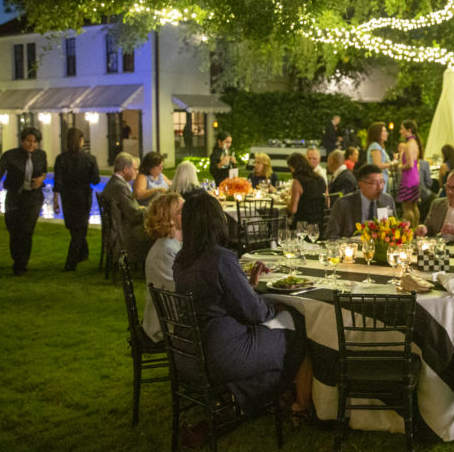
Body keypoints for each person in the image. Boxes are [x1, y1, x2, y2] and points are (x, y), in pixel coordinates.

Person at [171, 193, 312, 416]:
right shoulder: (220, 257)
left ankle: (247, 395)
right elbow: (255, 312)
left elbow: (213, 298)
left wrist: (247, 286)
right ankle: (290, 399)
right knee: (296, 323)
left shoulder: (181, 260)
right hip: (223, 354)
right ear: (216, 220)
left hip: (189, 352)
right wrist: (275, 305)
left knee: (280, 332)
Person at [0, 127, 47, 276]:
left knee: (27, 230)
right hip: (14, 197)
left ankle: (21, 264)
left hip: (33, 197)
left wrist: (41, 179)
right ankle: (17, 258)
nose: (31, 144)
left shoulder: (41, 155)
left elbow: (44, 171)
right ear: (22, 141)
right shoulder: (10, 155)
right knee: (14, 230)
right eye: (28, 141)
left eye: (34, 142)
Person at [52, 128, 100, 272]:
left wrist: (55, 199)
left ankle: (80, 255)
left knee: (75, 228)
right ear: (80, 141)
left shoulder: (61, 159)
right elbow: (96, 180)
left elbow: (58, 181)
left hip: (68, 197)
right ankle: (73, 260)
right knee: (79, 229)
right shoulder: (89, 159)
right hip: (83, 196)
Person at [141, 192, 183, 343]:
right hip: (165, 325)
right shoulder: (166, 250)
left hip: (175, 315)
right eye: (181, 211)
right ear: (168, 219)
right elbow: (177, 293)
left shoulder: (175, 245)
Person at [101, 152, 154, 266]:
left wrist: (141, 208)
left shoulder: (113, 183)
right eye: (135, 169)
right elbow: (134, 216)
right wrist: (151, 209)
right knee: (155, 231)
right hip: (124, 234)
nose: (137, 172)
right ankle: (152, 266)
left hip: (116, 230)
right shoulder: (120, 187)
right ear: (125, 170)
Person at [326, 164, 396, 239]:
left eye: (381, 182)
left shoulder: (387, 200)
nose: (380, 187)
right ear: (361, 184)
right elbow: (332, 236)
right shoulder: (343, 204)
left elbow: (394, 231)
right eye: (374, 183)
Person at [286, 152, 327, 229]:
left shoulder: (298, 181)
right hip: (320, 225)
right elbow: (327, 203)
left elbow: (293, 210)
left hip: (302, 225)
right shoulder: (320, 179)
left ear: (293, 167)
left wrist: (288, 203)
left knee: (283, 225)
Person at [397, 119, 422, 228]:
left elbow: (410, 164)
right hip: (415, 177)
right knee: (414, 206)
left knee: (407, 208)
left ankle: (410, 230)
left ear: (409, 130)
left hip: (408, 179)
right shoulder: (415, 143)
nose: (400, 131)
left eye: (402, 128)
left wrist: (399, 167)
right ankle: (416, 228)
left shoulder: (408, 145)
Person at [366, 122, 393, 188]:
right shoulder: (375, 146)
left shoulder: (379, 146)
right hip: (377, 180)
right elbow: (378, 165)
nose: (387, 133)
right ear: (377, 133)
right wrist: (392, 164)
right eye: (384, 131)